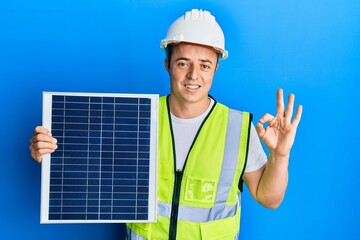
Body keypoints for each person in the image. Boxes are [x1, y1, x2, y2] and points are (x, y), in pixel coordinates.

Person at [29, 9, 302, 240]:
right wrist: (53, 159)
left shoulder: (238, 127)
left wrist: (280, 155)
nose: (194, 75)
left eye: (205, 65)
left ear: (216, 68)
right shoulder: (133, 117)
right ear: (167, 65)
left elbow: (269, 198)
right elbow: (95, 174)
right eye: (183, 63)